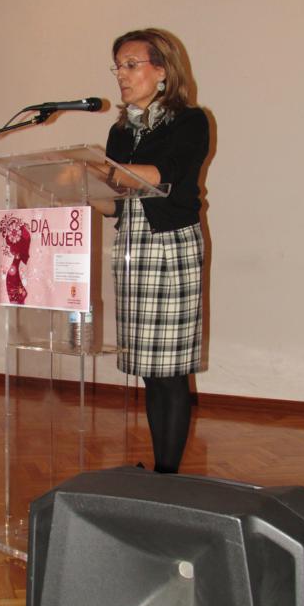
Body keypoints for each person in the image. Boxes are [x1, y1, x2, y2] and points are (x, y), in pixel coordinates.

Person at [99, 28, 209, 473]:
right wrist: (80, 189)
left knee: (171, 369)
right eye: (117, 67)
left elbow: (167, 173)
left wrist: (104, 171)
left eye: (131, 65)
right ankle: (162, 472)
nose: (121, 75)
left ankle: (168, 475)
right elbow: (115, 202)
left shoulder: (190, 121)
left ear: (162, 71)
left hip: (170, 247)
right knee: (149, 368)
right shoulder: (120, 131)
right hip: (132, 247)